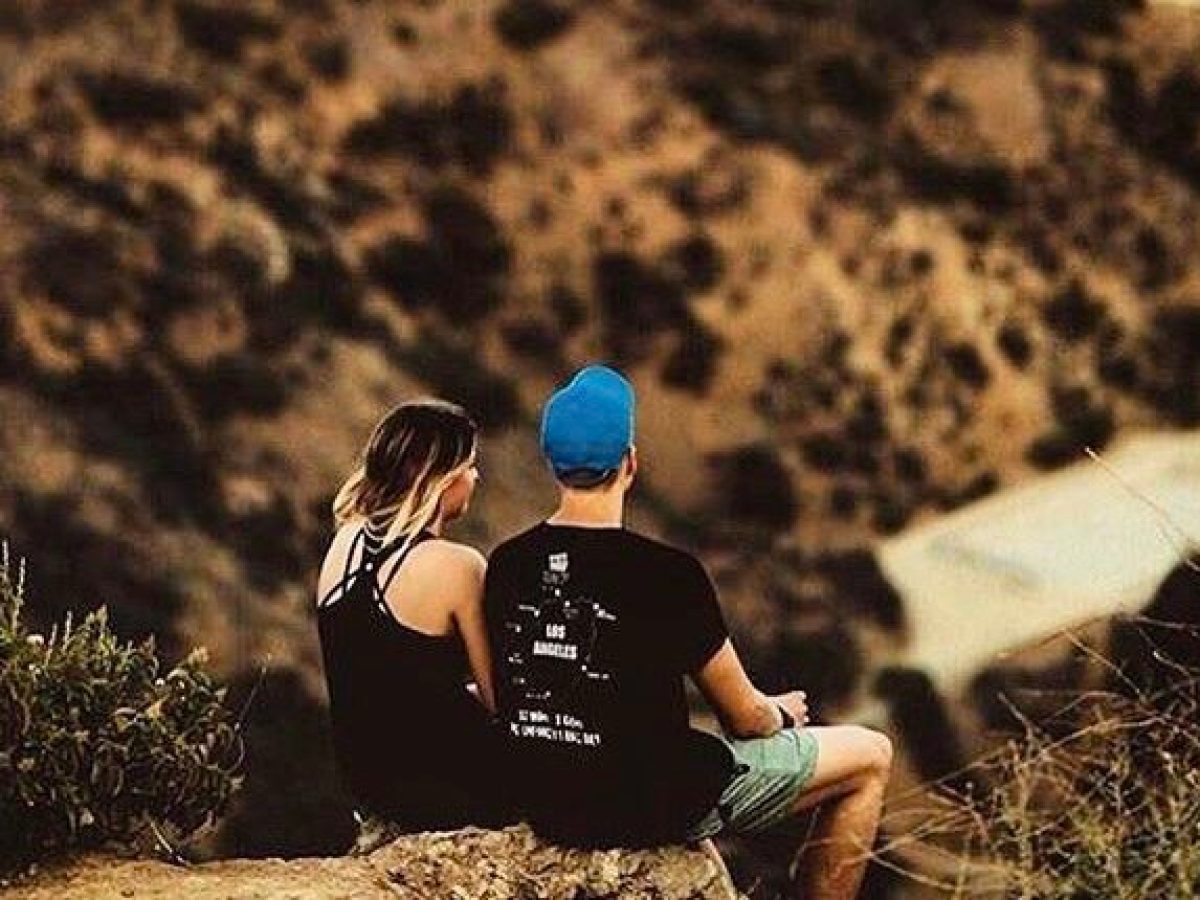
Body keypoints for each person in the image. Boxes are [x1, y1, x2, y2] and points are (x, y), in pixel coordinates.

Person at [483, 365, 892, 899]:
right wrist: (781, 712)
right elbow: (743, 718)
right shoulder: (668, 573)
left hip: (548, 801)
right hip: (646, 804)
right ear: (630, 463)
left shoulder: (507, 565)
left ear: (552, 465)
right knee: (871, 755)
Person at [315, 398, 513, 833]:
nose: (475, 477)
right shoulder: (459, 566)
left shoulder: (342, 543)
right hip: (449, 789)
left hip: (369, 782)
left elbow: (383, 672)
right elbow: (501, 700)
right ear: (443, 479)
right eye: (471, 465)